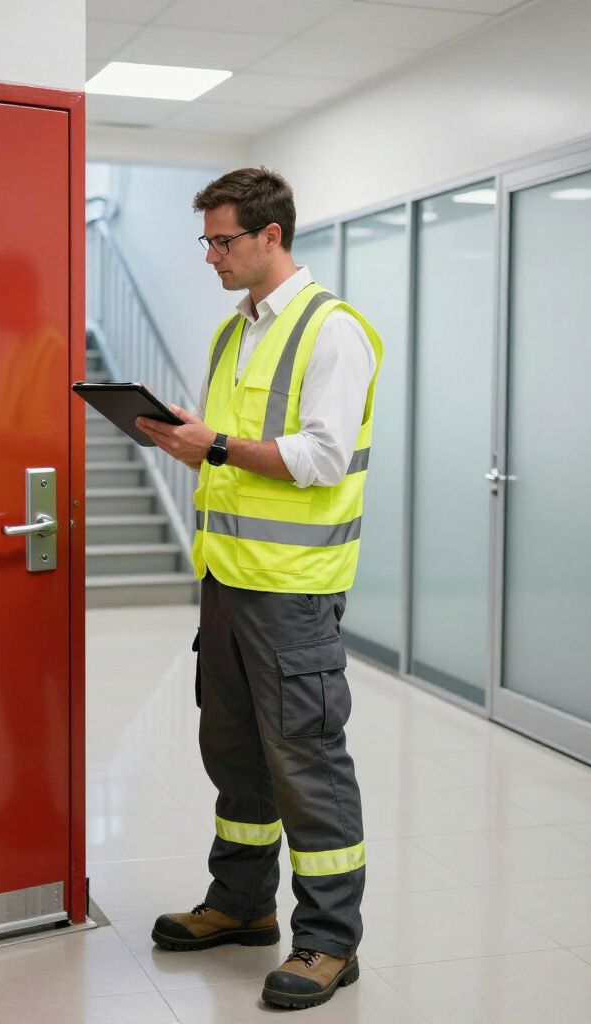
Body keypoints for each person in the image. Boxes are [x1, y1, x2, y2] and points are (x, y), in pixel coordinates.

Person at [135, 167, 383, 1011]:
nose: (211, 255)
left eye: (223, 239)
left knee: (307, 765)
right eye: (206, 240)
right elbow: (231, 447)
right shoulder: (229, 332)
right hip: (228, 583)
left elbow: (319, 459)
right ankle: (242, 906)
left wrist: (215, 446)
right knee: (234, 757)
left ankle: (328, 943)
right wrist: (192, 443)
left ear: (271, 236)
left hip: (294, 592)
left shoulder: (333, 331)